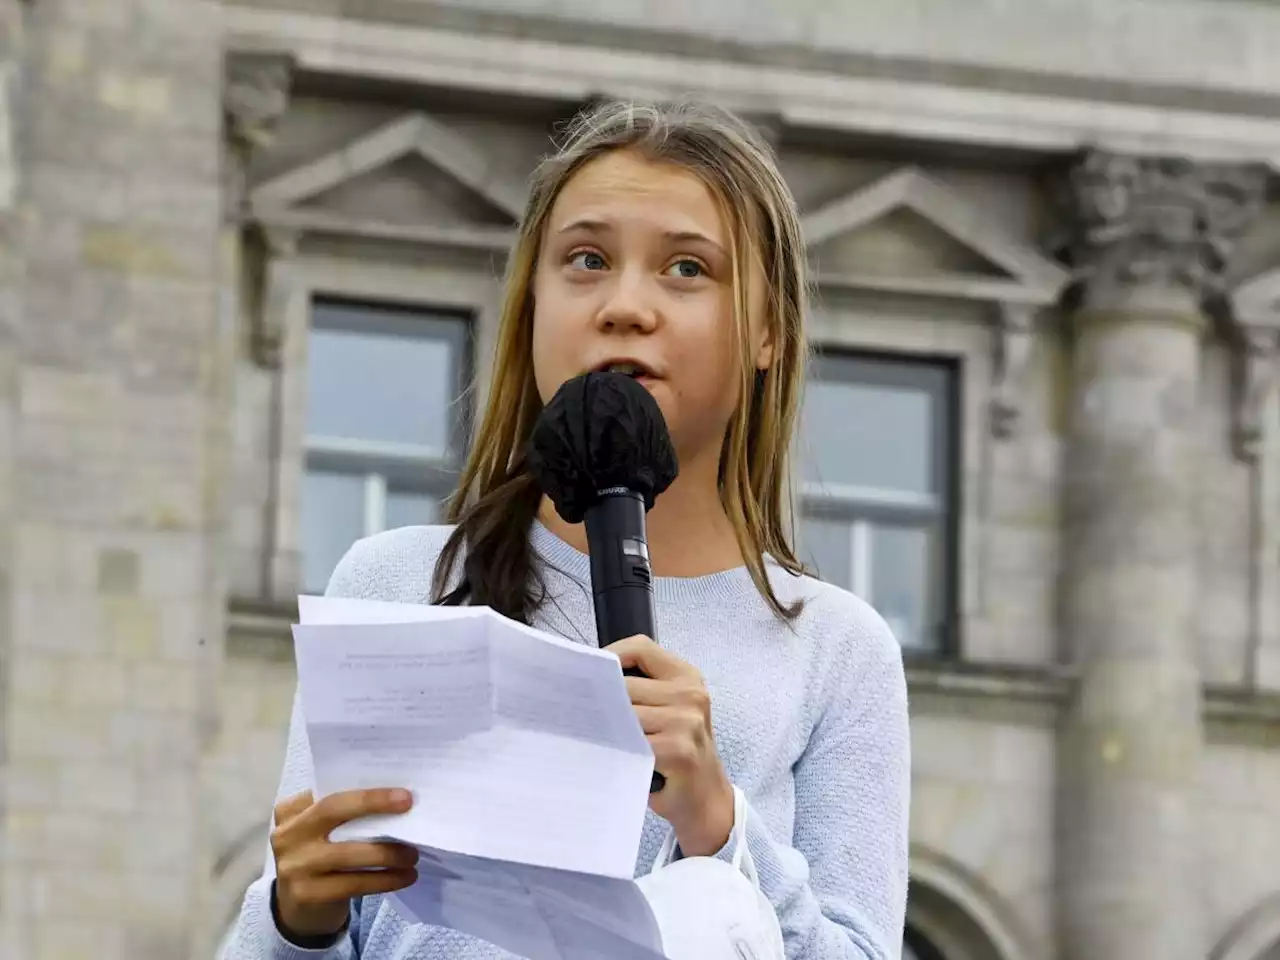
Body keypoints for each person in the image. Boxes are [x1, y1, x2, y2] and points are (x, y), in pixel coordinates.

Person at [222, 98, 910, 960]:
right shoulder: (396, 586)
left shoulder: (836, 650)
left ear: (768, 330)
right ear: (533, 305)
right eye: (586, 260)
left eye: (687, 269)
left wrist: (718, 824)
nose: (625, 305)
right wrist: (298, 915)